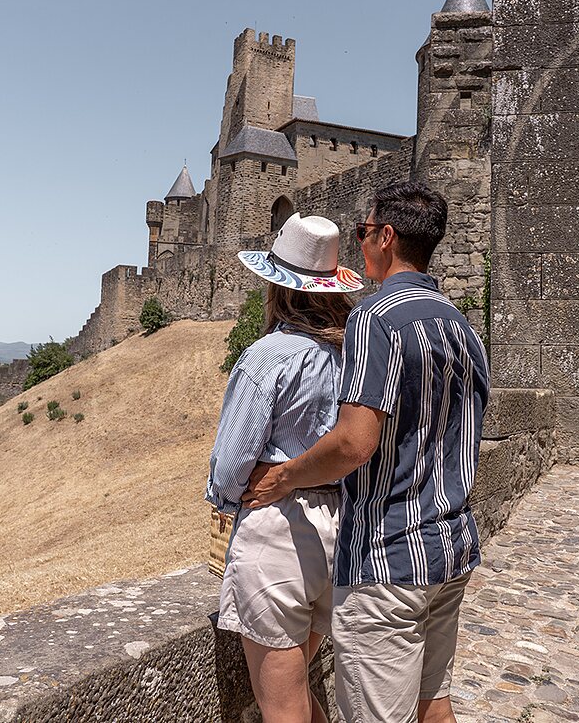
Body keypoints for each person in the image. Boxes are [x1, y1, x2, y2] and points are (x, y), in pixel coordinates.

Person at [245, 182, 490, 723]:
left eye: (362, 232)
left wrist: (284, 476)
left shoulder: (376, 318)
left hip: (388, 556)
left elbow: (355, 442)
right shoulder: (460, 323)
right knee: (434, 703)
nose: (359, 244)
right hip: (450, 547)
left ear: (385, 236)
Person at [206, 212, 363, 723]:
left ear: (279, 288)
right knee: (300, 695)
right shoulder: (356, 355)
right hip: (342, 531)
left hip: (280, 531)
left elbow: (231, 464)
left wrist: (231, 498)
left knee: (282, 708)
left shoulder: (266, 357)